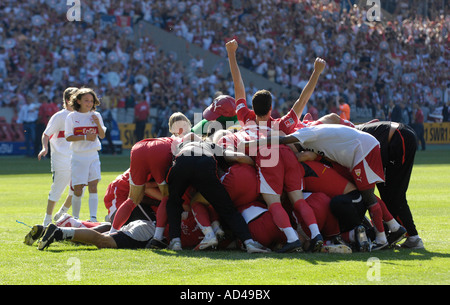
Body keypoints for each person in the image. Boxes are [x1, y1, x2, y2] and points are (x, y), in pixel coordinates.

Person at [225, 38, 327, 252]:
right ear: (271, 109)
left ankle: (292, 239)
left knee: (274, 203)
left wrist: (232, 54)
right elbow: (301, 101)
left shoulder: (244, 117)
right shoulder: (281, 125)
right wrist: (316, 72)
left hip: (269, 155)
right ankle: (317, 235)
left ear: (251, 107)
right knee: (298, 200)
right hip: (287, 155)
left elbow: (238, 86)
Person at [248, 124, 406, 250]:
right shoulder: (314, 138)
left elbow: (284, 140)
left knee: (368, 196)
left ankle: (381, 238)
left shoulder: (305, 134)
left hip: (361, 149)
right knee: (366, 194)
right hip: (361, 148)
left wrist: (260, 143)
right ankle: (394, 226)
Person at [165, 131, 269, 253]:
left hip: (182, 161)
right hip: (205, 162)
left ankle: (175, 241)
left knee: (173, 202)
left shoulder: (179, 146)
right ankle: (249, 243)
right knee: (227, 208)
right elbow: (236, 156)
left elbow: (174, 168)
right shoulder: (212, 145)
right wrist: (255, 167)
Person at [356, 121, 424, 249]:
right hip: (394, 140)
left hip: (399, 138)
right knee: (387, 194)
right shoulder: (351, 130)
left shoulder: (345, 135)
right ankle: (393, 232)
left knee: (395, 194)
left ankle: (413, 237)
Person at [38, 87, 79, 226]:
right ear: (68, 100)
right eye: (75, 97)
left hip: (77, 158)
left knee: (79, 187)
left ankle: (62, 212)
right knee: (57, 189)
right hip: (60, 158)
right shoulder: (59, 116)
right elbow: (46, 134)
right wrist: (45, 148)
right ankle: (47, 219)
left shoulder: (81, 116)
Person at [65, 88, 106, 222]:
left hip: (93, 155)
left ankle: (93, 218)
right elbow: (68, 137)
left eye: (91, 100)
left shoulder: (96, 115)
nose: (89, 103)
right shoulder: (72, 116)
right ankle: (76, 218)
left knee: (93, 186)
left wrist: (98, 123)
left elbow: (102, 135)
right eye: (86, 100)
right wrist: (84, 137)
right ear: (78, 101)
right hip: (78, 157)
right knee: (78, 189)